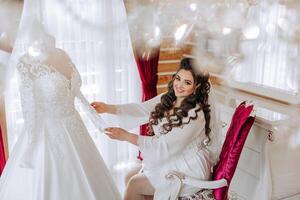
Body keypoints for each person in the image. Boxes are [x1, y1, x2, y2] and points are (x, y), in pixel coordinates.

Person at [0, 19, 121, 199]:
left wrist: (97, 121)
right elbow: (28, 108)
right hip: (46, 133)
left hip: (74, 126)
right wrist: (31, 146)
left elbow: (75, 92)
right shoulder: (25, 63)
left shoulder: (62, 54)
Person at [91, 57, 221, 200]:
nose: (179, 85)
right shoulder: (170, 98)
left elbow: (164, 146)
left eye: (187, 82)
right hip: (171, 156)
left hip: (189, 165)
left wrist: (126, 136)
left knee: (134, 184)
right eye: (178, 78)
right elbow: (141, 109)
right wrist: (108, 108)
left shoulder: (196, 114)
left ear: (196, 86)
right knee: (129, 175)